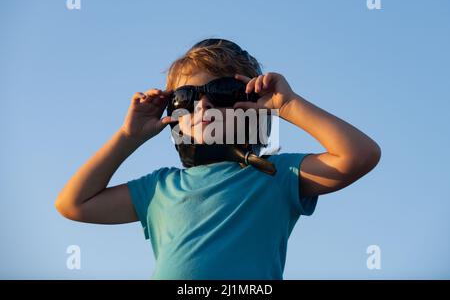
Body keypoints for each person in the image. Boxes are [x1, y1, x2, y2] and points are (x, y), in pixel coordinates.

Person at [55, 38, 381, 279]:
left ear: (254, 104)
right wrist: (128, 138)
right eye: (187, 97)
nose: (203, 106)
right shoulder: (159, 188)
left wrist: (289, 106)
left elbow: (359, 155)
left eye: (222, 92)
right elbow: (74, 204)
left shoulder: (274, 175)